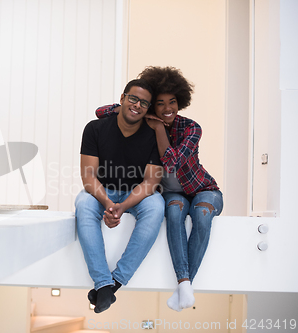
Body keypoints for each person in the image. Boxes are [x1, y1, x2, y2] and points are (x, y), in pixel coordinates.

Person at [96, 66, 223, 312]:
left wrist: (159, 129)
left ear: (181, 101)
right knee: (174, 213)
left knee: (202, 214)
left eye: (172, 102)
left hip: (203, 189)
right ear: (152, 104)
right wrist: (136, 109)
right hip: (173, 194)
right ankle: (184, 286)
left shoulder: (191, 128)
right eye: (160, 103)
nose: (167, 109)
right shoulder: (142, 120)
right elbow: (100, 112)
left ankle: (185, 285)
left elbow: (172, 163)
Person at [75, 79, 165, 313]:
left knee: (156, 206)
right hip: (102, 191)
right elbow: (88, 177)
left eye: (144, 103)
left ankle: (113, 283)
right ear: (122, 98)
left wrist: (122, 206)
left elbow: (151, 181)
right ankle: (102, 282)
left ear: (148, 109)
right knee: (83, 203)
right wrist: (107, 203)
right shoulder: (95, 129)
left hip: (137, 194)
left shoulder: (152, 135)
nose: (137, 105)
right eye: (133, 98)